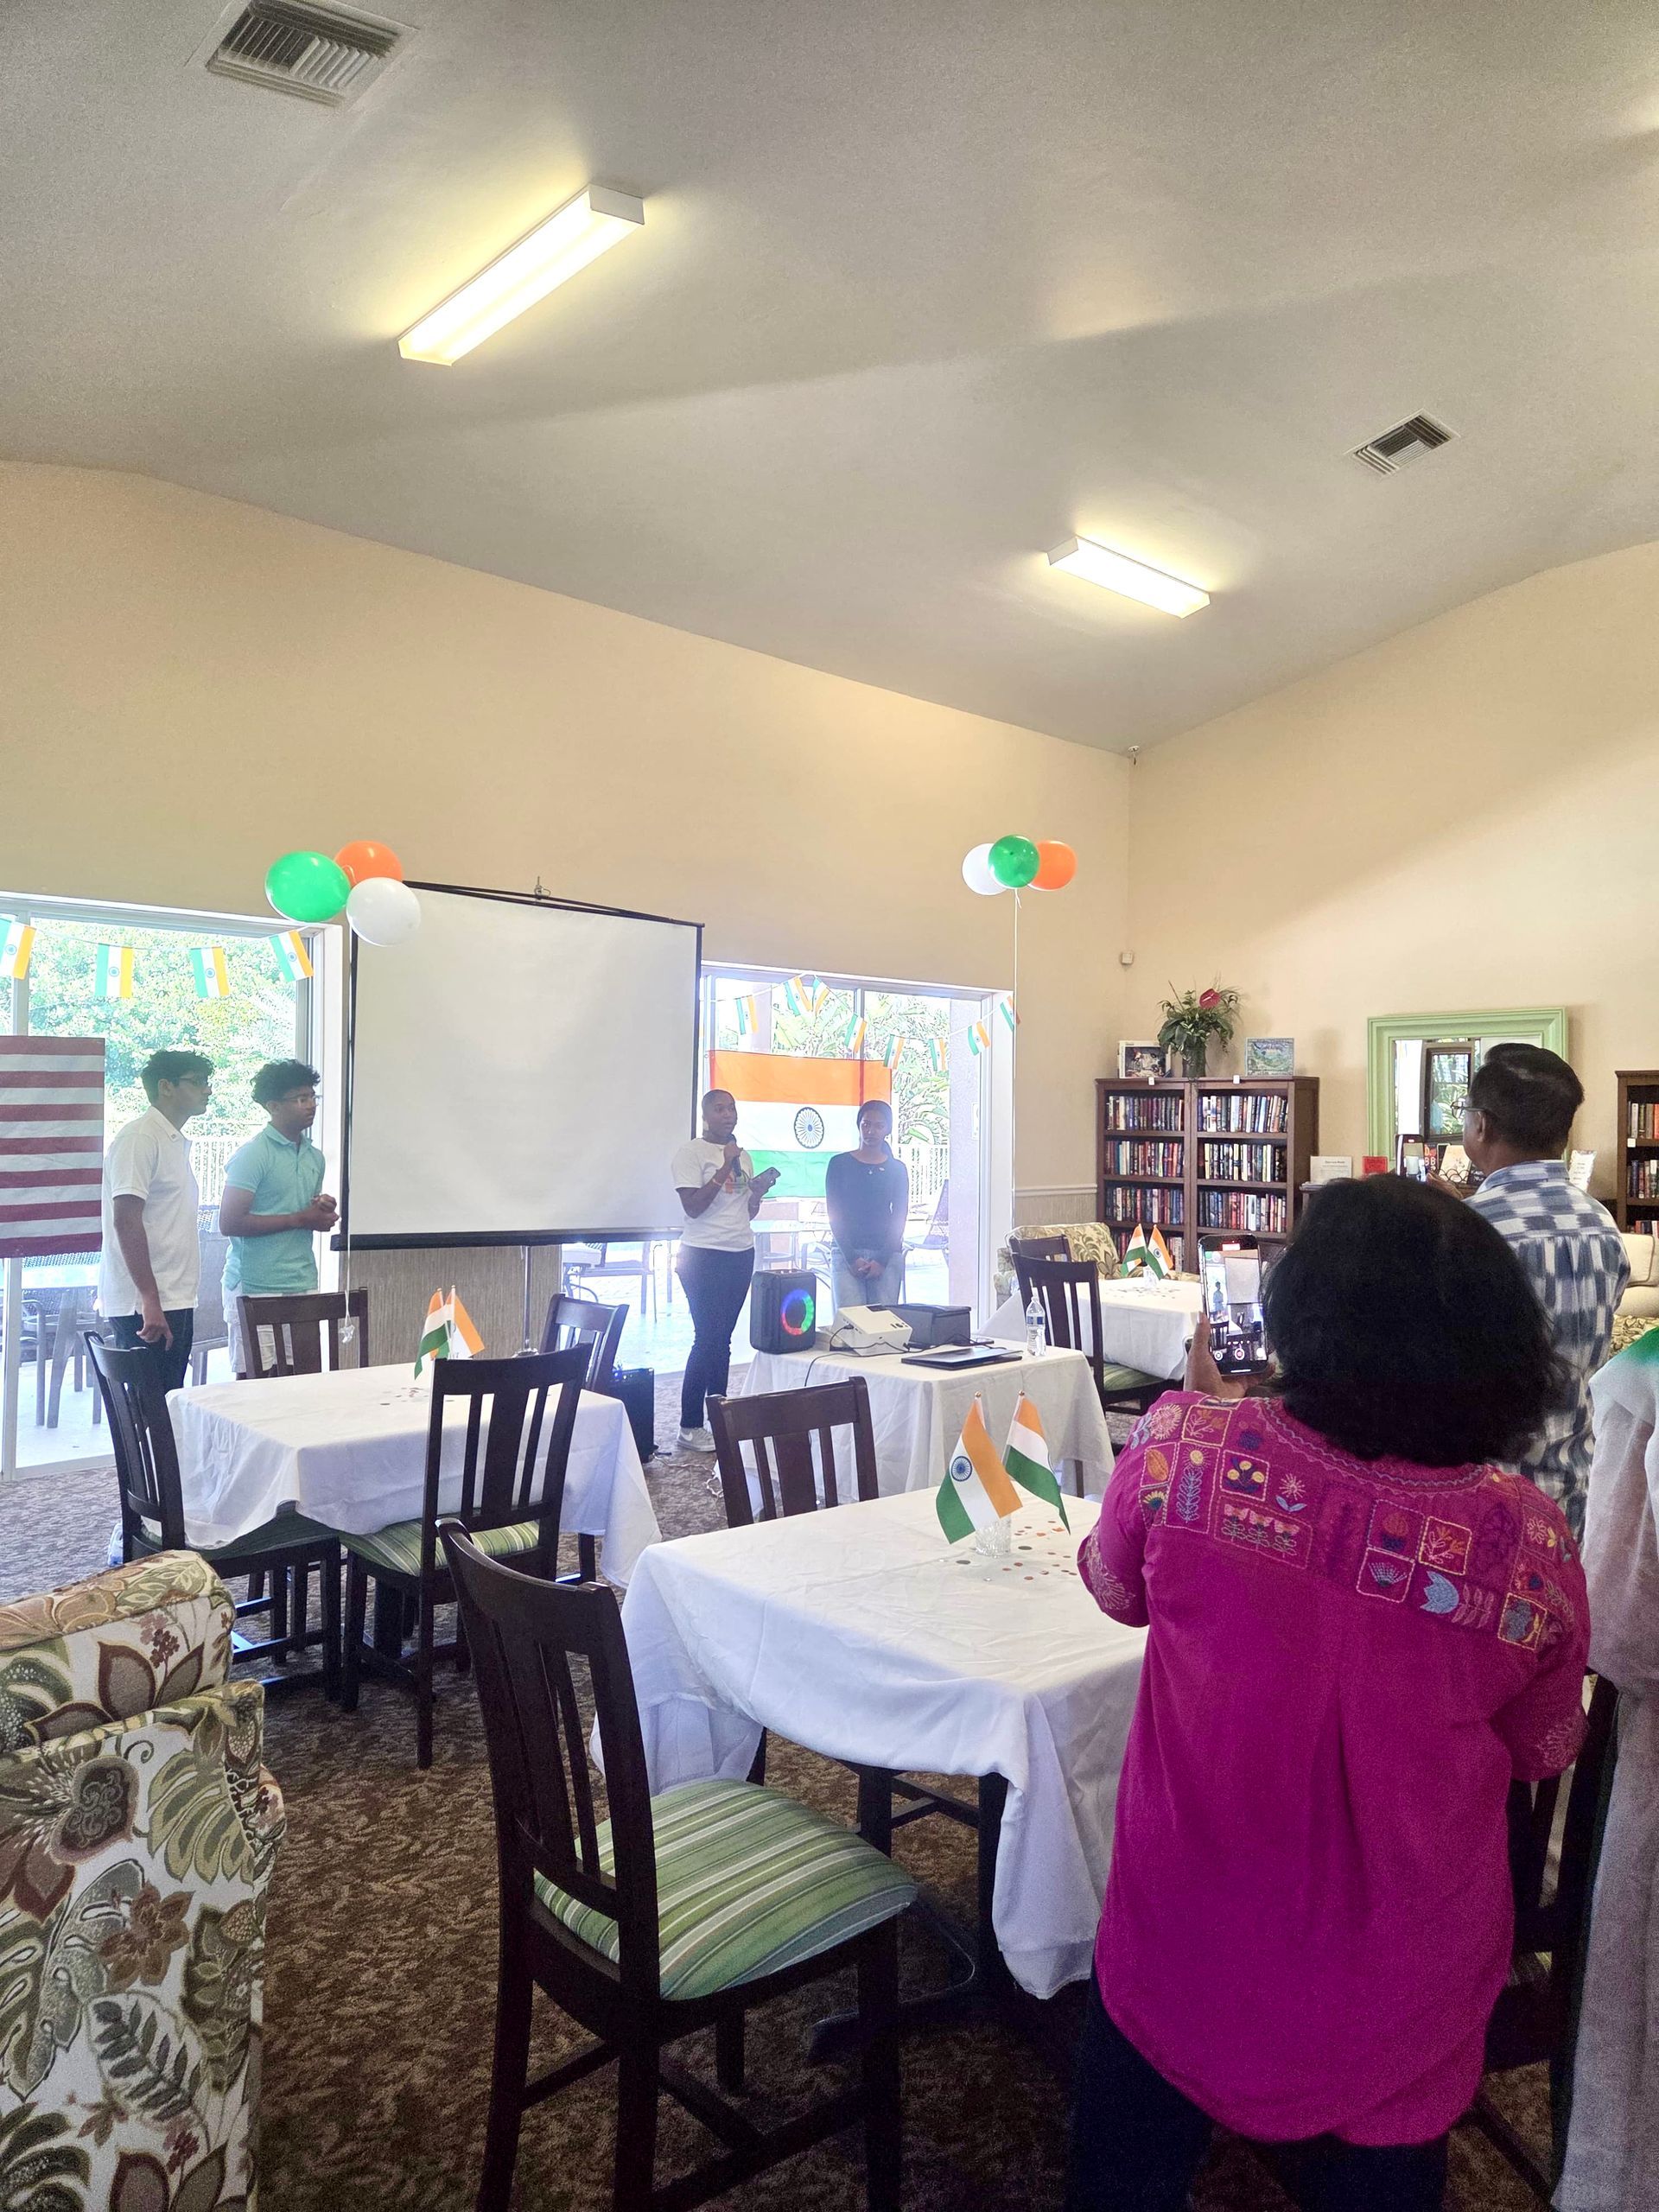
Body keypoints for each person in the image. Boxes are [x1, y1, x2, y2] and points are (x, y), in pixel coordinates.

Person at [1068, 1175, 1589, 2212]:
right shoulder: (1528, 1538)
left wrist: (1223, 1414)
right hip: (1402, 1983)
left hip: (1182, 1938)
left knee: (1120, 2177)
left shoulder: (1179, 1448)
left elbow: (1113, 1587)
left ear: (1302, 1311)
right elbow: (1543, 1748)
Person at [1459, 1041, 1628, 1535]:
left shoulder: (1467, 1232)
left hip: (1486, 1501)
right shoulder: (1601, 1223)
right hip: (1577, 1494)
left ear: (1482, 1124)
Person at [98, 1047, 214, 1395]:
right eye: (198, 1082)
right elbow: (126, 1220)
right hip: (147, 1303)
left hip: (172, 1296)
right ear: (166, 1087)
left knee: (165, 1407)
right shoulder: (140, 1138)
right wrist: (150, 1299)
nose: (208, 1090)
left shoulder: (171, 1140)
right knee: (151, 1415)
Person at [671, 1089, 779, 1452]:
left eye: (732, 1108)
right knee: (707, 1338)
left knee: (723, 1340)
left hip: (739, 1252)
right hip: (701, 1256)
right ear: (706, 1116)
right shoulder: (692, 1153)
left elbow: (744, 1211)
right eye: (720, 1109)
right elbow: (694, 1209)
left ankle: (719, 1415)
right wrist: (722, 1168)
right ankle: (688, 1426)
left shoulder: (743, 1156)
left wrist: (758, 1192)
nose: (728, 1114)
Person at [219, 1058, 337, 1376]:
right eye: (301, 1099)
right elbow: (230, 1222)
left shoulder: (314, 1156)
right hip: (256, 1285)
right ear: (273, 1106)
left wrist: (321, 1212)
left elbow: (302, 1212)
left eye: (313, 1097)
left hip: (301, 1280)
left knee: (304, 1379)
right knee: (257, 1384)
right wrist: (301, 1217)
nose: (310, 1105)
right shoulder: (253, 1154)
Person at [825, 1097, 909, 1311]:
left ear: (887, 1129)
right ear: (859, 1126)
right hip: (847, 1254)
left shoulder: (897, 1169)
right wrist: (852, 1258)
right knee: (850, 1328)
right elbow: (834, 1213)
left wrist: (882, 1259)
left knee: (884, 1327)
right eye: (866, 1124)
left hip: (887, 1255)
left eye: (878, 1126)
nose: (871, 1131)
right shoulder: (839, 1164)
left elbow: (899, 1216)